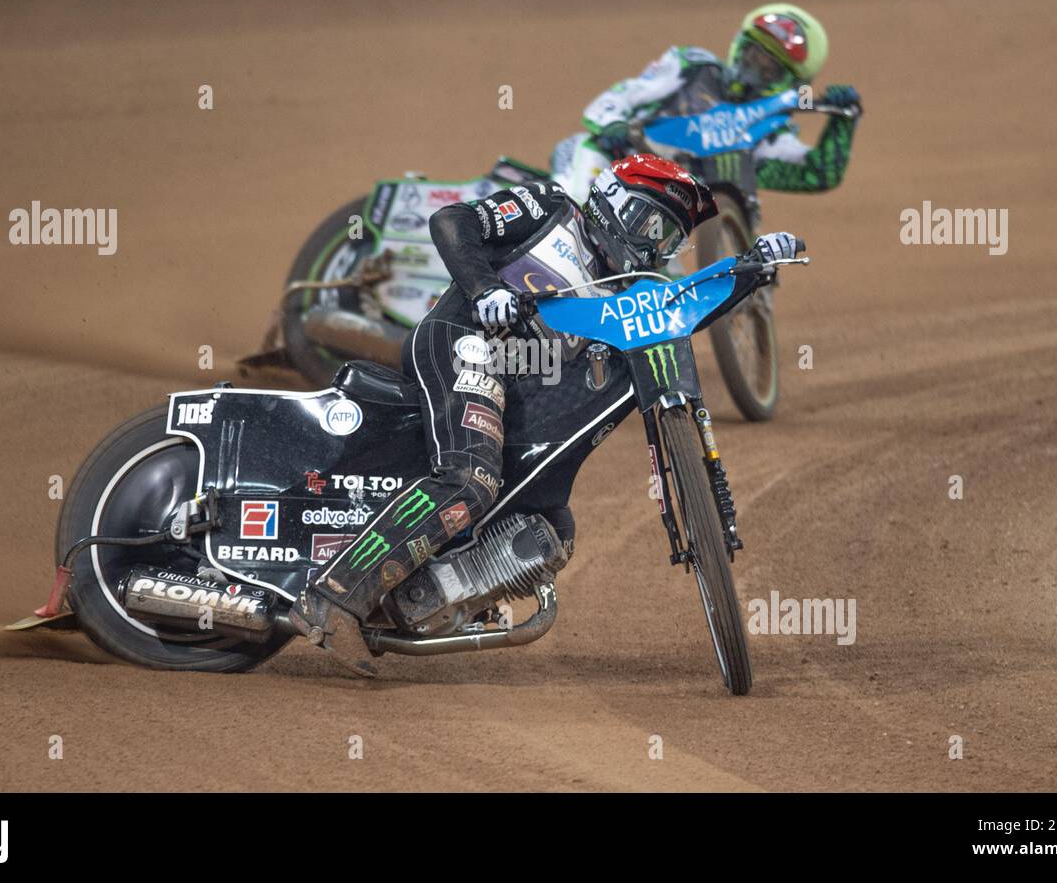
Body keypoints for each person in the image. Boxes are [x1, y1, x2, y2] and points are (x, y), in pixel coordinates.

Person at [302, 153, 803, 676]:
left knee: (549, 527)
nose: (654, 246)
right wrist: (485, 290)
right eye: (649, 225)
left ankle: (418, 599)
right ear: (612, 202)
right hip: (466, 342)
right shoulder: (550, 208)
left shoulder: (627, 292)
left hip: (521, 389)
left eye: (668, 240)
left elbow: (680, 311)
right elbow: (452, 222)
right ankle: (334, 599)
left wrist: (750, 269)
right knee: (469, 479)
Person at [553, 3, 863, 200]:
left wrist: (843, 122)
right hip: (609, 160)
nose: (754, 70)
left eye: (769, 69)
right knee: (576, 197)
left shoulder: (769, 135)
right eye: (753, 56)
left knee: (668, 287)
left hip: (659, 207)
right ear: (738, 47)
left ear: (792, 83)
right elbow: (625, 95)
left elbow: (818, 173)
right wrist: (615, 124)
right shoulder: (691, 65)